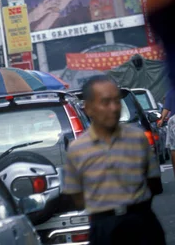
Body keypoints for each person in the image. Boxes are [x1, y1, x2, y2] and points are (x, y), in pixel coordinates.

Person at [63, 76, 164, 245]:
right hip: (104, 229)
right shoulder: (77, 149)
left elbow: (154, 182)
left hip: (142, 224)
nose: (114, 108)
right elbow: (77, 198)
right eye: (105, 102)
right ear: (88, 108)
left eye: (117, 101)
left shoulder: (137, 138)